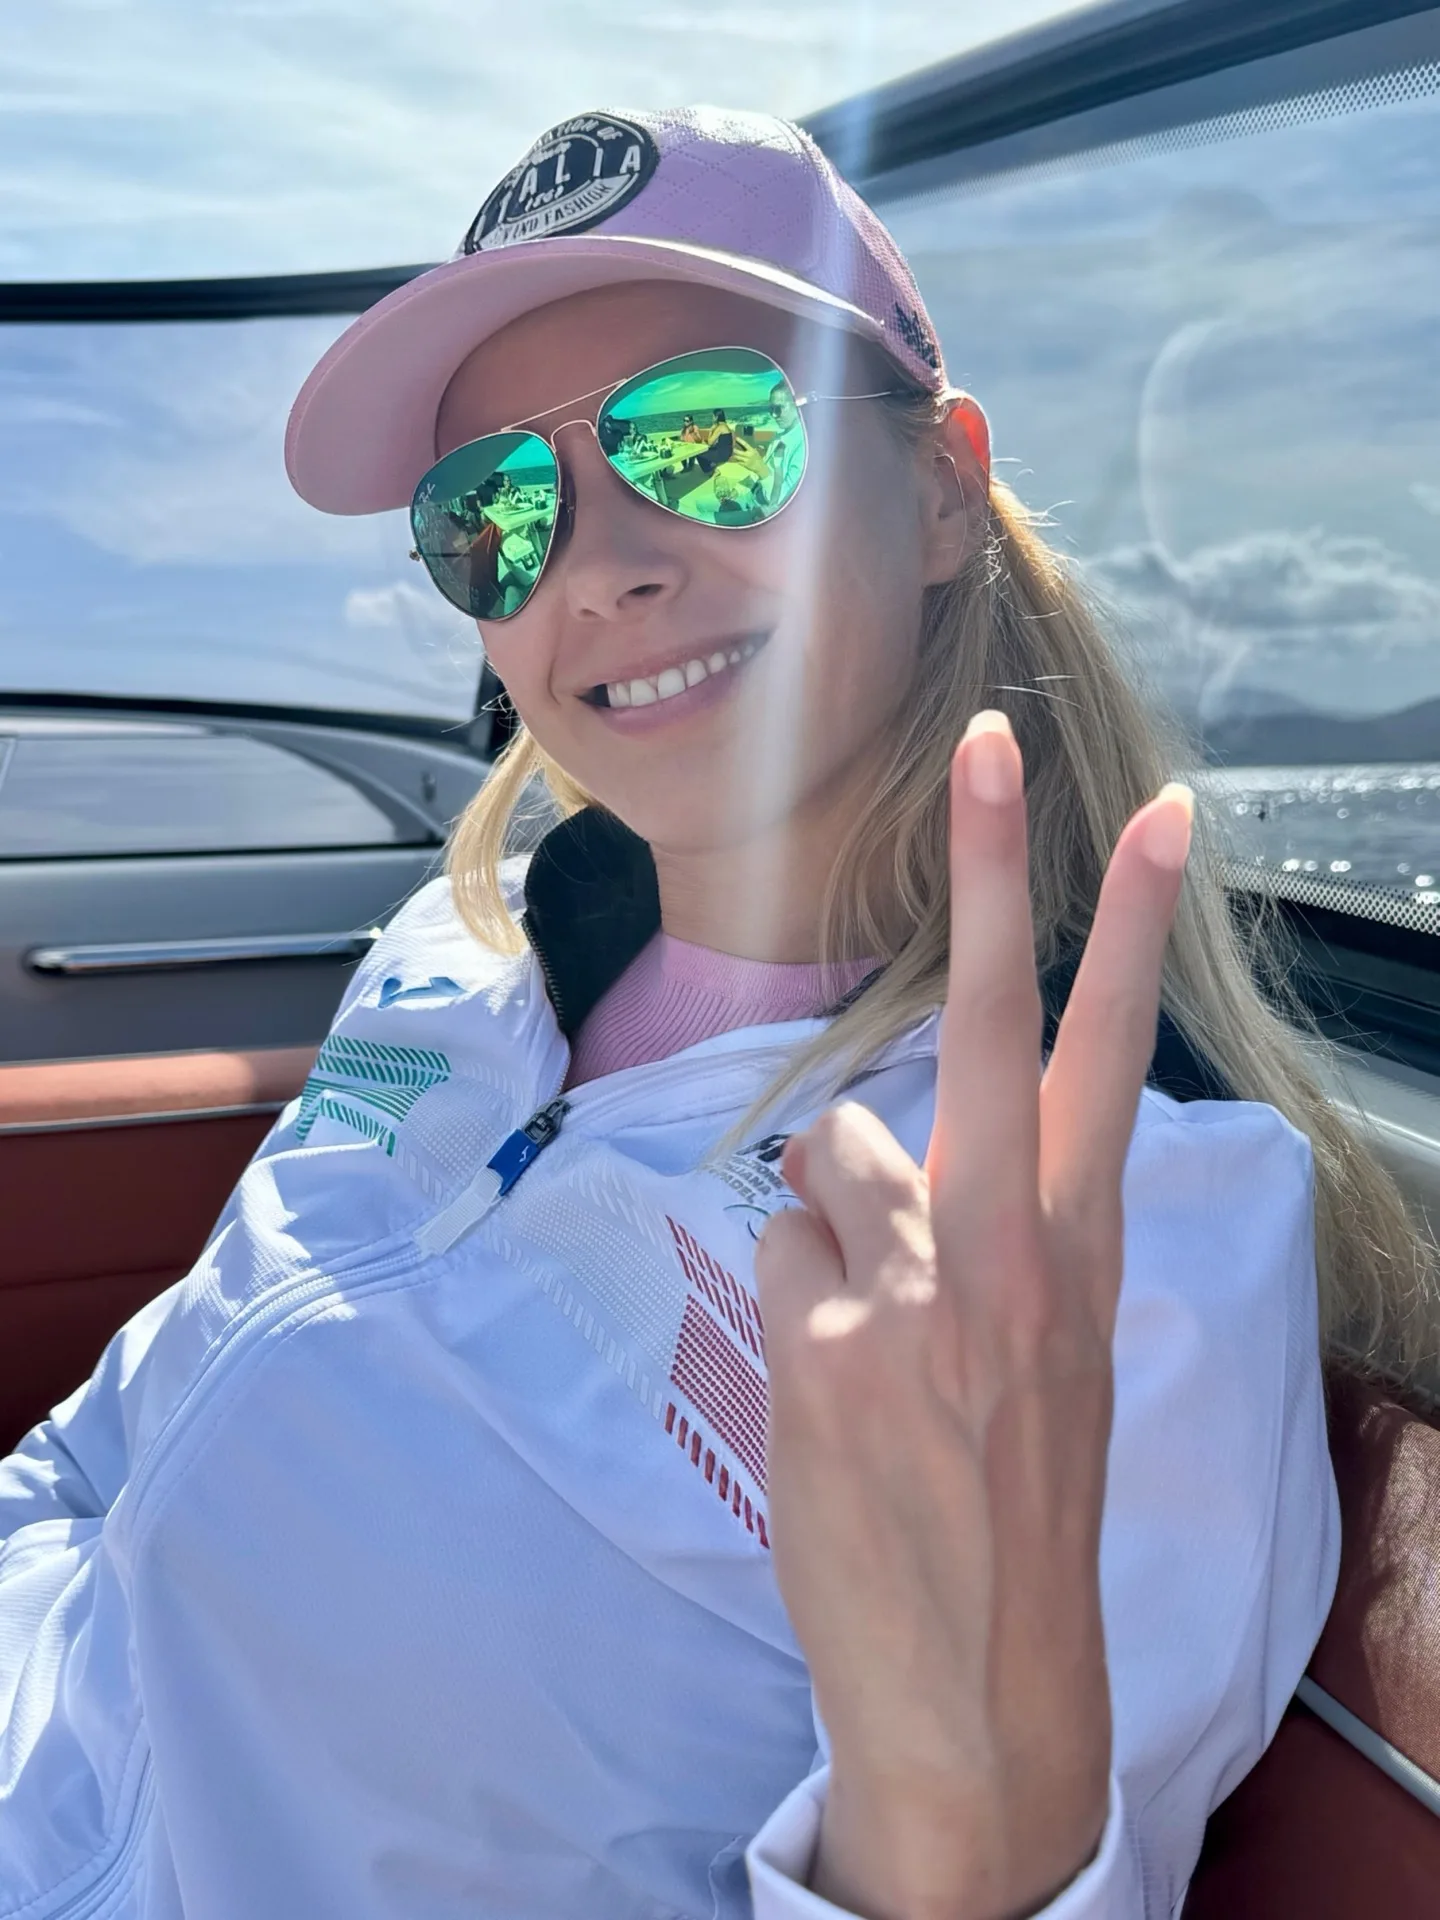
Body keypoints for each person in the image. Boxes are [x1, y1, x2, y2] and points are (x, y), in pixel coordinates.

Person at [2, 105, 1435, 1920]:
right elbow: (114, 1440)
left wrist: (954, 1825)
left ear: (935, 492)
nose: (592, 561)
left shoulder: (1091, 1222)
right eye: (492, 512)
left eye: (703, 440)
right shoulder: (456, 959)